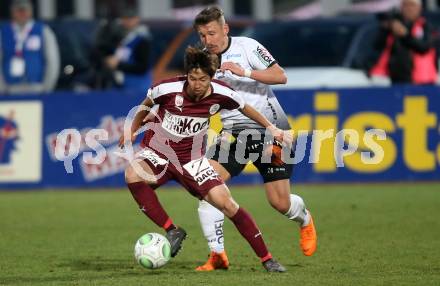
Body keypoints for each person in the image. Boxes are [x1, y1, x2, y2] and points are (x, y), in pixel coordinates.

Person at [119, 46, 292, 272]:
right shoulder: (166, 88)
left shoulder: (223, 93)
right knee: (133, 174)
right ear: (187, 75)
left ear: (211, 77)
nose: (196, 84)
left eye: (202, 79)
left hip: (192, 160)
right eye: (192, 78)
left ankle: (267, 259)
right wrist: (132, 130)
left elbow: (246, 108)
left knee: (227, 204)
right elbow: (145, 105)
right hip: (158, 152)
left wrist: (271, 127)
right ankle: (172, 230)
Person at [192, 7, 317, 271]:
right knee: (208, 188)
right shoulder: (204, 59)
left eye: (211, 33)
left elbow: (280, 76)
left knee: (280, 203)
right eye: (202, 35)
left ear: (225, 29)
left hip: (271, 130)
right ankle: (217, 255)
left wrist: (244, 73)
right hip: (233, 135)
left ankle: (305, 219)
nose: (207, 40)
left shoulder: (247, 47)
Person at [369, 0, 438, 84]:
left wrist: (405, 35)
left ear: (419, 8)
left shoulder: (425, 26)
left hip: (421, 82)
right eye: (405, 5)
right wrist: (387, 27)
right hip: (395, 80)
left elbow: (423, 48)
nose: (408, 9)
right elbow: (377, 48)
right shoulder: (393, 25)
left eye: (411, 5)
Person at [0, 0, 60, 94]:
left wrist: (46, 87)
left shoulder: (43, 31)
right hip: (10, 89)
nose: (22, 14)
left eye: (24, 10)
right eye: (19, 11)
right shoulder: (3, 32)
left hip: (37, 88)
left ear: (31, 11)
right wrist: (2, 88)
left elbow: (52, 60)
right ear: (12, 12)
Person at [104, 7, 152, 92]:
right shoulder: (121, 38)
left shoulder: (143, 40)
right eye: (125, 18)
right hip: (122, 86)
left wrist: (118, 65)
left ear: (137, 19)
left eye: (130, 18)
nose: (127, 21)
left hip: (138, 87)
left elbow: (142, 67)